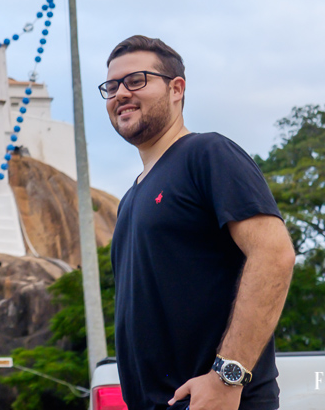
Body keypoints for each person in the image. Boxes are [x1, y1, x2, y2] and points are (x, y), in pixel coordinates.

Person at [102, 35, 294, 410]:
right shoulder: (130, 200)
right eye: (111, 86)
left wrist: (227, 377)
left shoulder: (207, 153)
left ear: (176, 89)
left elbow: (274, 254)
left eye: (136, 80)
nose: (121, 93)